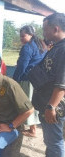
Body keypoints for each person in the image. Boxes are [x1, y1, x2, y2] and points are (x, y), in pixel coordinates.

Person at [30, 13, 65, 157]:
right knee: (51, 142)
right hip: (48, 103)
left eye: (45, 29)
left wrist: (51, 107)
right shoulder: (56, 47)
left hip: (55, 106)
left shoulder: (63, 49)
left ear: (55, 29)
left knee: (55, 142)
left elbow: (62, 83)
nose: (43, 33)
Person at [13, 25, 47, 137]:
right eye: (20, 36)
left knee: (25, 103)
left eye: (23, 36)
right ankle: (33, 129)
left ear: (31, 35)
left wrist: (14, 80)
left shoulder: (27, 47)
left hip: (27, 80)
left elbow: (22, 66)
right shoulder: (41, 45)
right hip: (38, 80)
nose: (21, 38)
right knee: (34, 102)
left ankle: (23, 126)